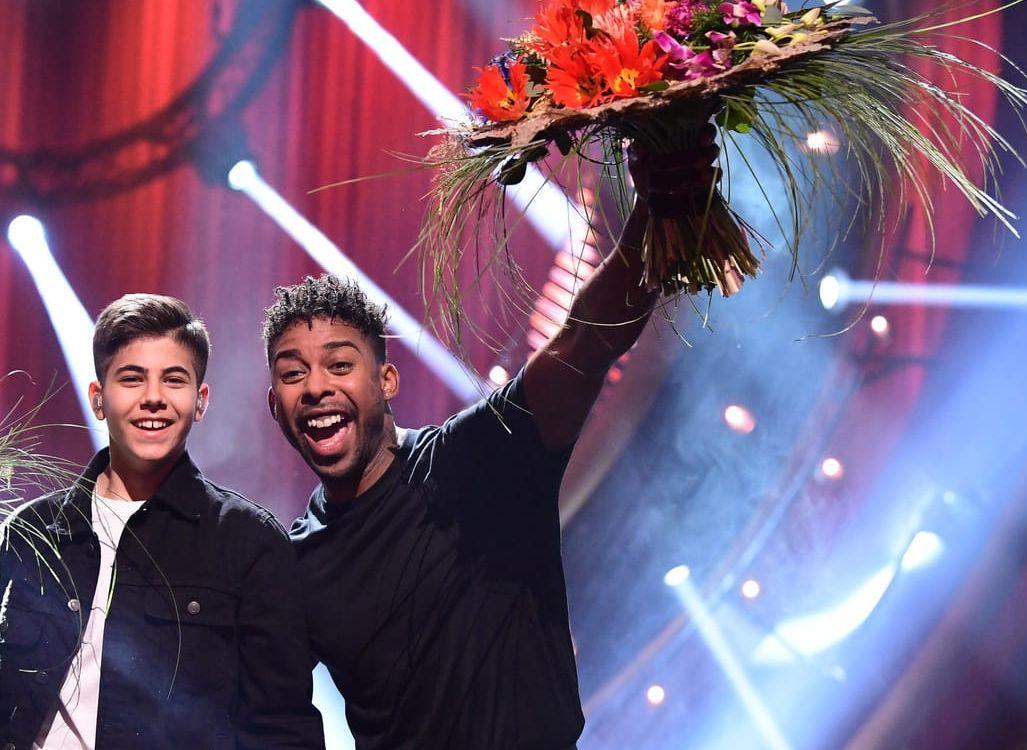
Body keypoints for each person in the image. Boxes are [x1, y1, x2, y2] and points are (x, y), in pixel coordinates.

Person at [261, 137, 720, 748]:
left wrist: (661, 202)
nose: (316, 387)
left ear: (387, 380)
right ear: (275, 407)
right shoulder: (293, 566)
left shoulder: (476, 458)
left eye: (339, 366)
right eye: (293, 375)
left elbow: (586, 340)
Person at [0, 293, 324, 749]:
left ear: (200, 401)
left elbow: (283, 730)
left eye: (173, 379)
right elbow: (8, 715)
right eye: (132, 378)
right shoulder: (29, 533)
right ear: (97, 397)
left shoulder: (248, 542)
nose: (153, 397)